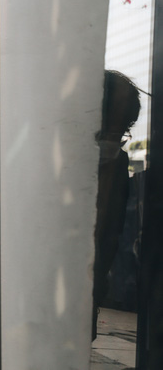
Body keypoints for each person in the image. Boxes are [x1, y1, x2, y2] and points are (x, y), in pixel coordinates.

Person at [92, 70, 141, 340]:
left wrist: (99, 279)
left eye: (121, 133)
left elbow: (113, 229)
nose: (113, 142)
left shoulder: (119, 162)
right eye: (108, 131)